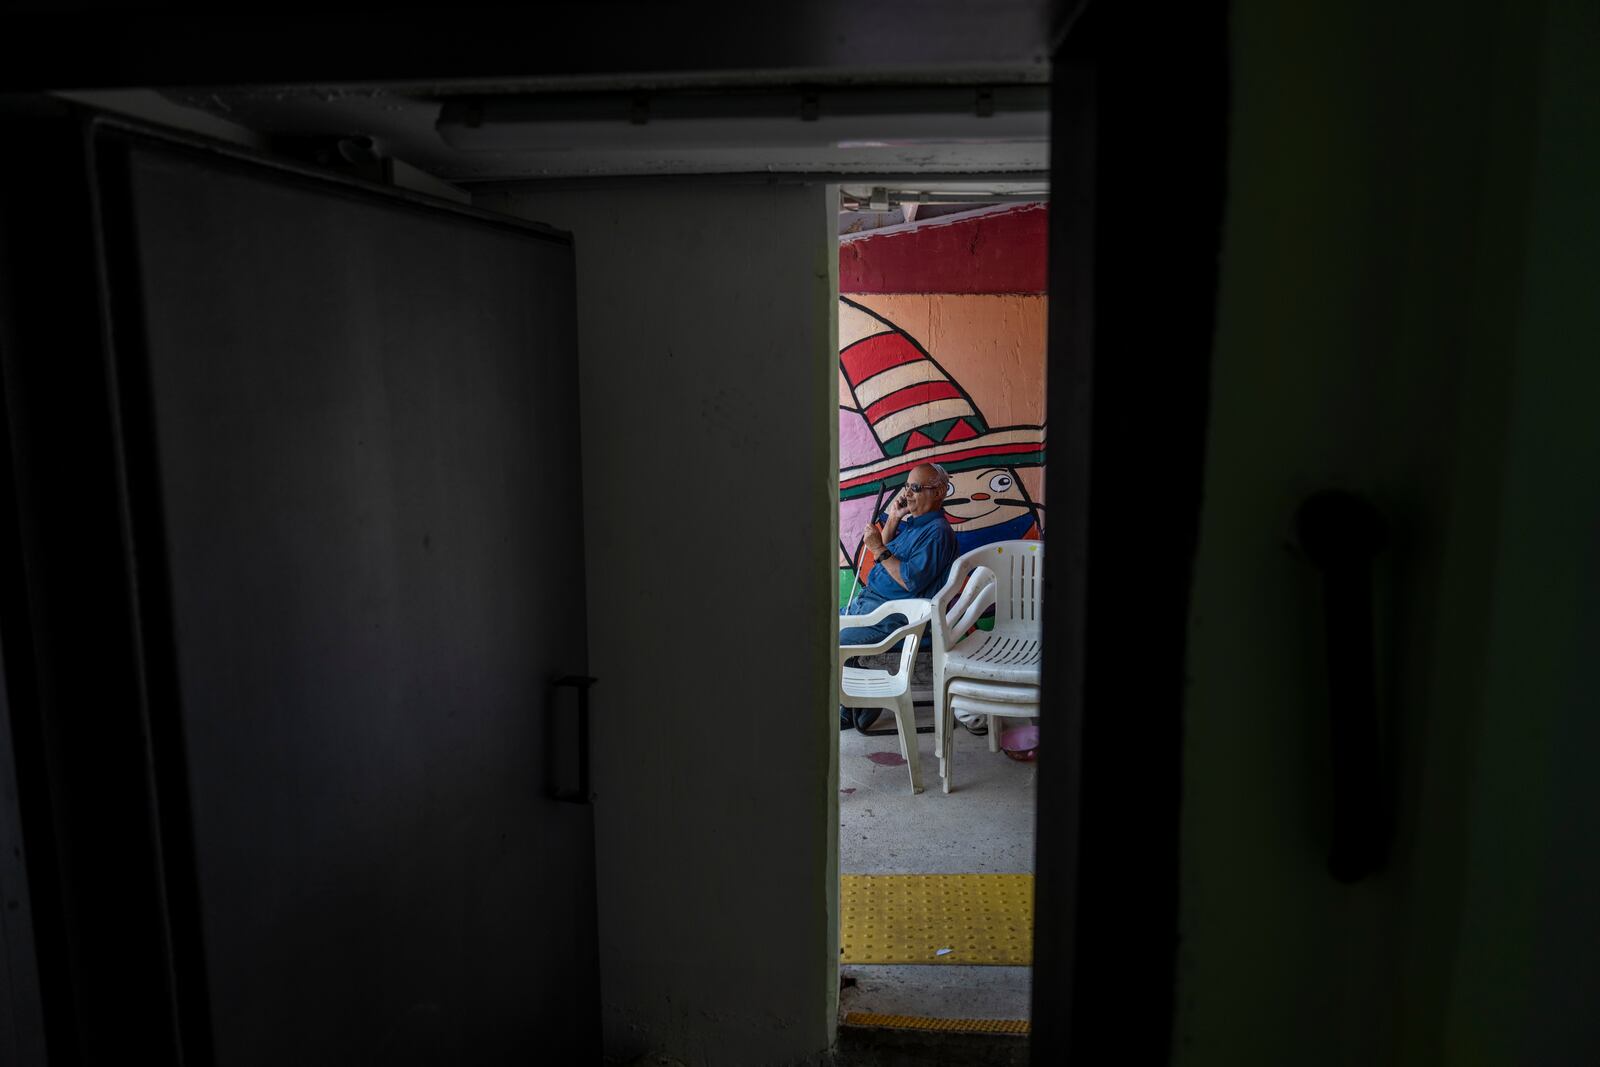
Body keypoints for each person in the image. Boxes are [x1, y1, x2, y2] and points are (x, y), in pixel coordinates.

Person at [840, 462, 959, 732]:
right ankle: (860, 694)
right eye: (907, 486)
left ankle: (863, 698)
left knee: (834, 639)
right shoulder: (916, 525)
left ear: (939, 492)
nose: (908, 493)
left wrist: (878, 548)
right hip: (871, 608)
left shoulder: (937, 533)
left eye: (916, 488)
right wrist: (893, 518)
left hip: (894, 621)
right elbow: (887, 550)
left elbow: (908, 579)